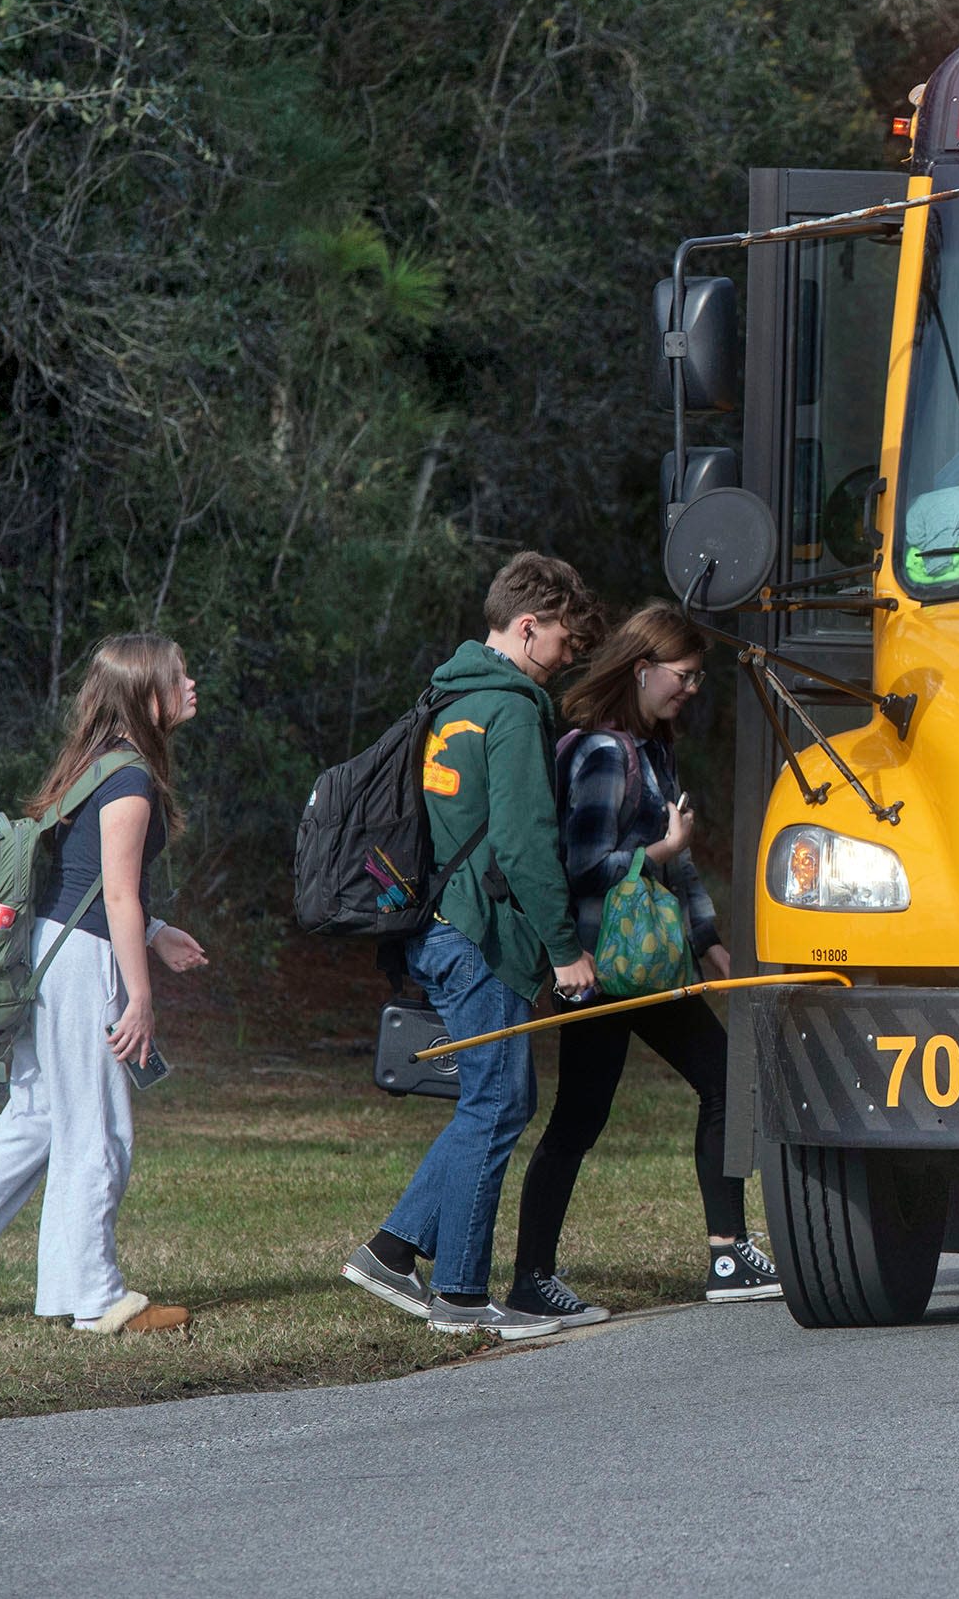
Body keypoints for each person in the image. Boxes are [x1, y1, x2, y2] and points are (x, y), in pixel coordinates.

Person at [0, 633, 211, 1336]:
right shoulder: (130, 779)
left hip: (52, 955)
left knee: (36, 1122)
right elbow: (116, 895)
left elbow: (77, 881)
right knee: (99, 1130)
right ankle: (95, 1299)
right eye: (179, 676)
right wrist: (140, 994)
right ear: (146, 692)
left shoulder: (96, 764)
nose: (191, 685)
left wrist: (157, 934)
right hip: (83, 966)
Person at [342, 553, 600, 1340]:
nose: (565, 661)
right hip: (479, 934)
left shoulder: (448, 694)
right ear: (529, 627)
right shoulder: (514, 709)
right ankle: (458, 1296)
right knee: (494, 1104)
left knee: (502, 1100)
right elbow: (525, 843)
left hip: (435, 926)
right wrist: (564, 949)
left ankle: (392, 1250)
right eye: (562, 643)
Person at [504, 603, 780, 1323]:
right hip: (603, 966)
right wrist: (662, 851)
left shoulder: (653, 751)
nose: (691, 688)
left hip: (651, 965)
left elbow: (676, 869)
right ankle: (530, 1279)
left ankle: (728, 1251)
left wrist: (710, 940)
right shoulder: (600, 752)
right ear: (642, 668)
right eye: (683, 676)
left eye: (697, 677)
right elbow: (583, 866)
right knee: (579, 1119)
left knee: (722, 1082)